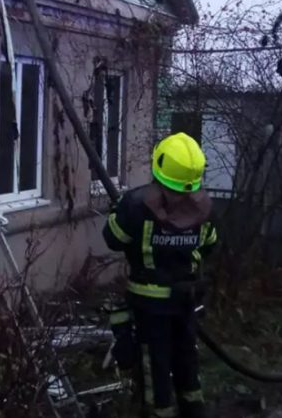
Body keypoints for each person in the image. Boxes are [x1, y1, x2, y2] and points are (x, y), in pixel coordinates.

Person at [103, 133, 218, 418]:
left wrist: (116, 213)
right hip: (186, 299)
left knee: (155, 366)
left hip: (149, 305)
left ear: (159, 164)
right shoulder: (203, 207)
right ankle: (194, 411)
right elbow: (210, 245)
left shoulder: (136, 203)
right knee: (186, 359)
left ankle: (161, 413)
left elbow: (113, 239)